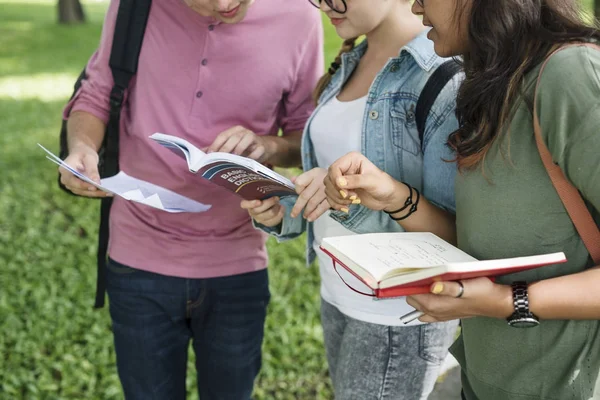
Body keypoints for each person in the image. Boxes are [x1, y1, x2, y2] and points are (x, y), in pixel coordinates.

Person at [323, 0, 600, 399]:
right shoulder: (494, 81)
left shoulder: (569, 75)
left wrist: (508, 301)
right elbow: (485, 242)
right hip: (486, 380)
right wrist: (394, 197)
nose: (415, 6)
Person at [57, 0, 323, 398]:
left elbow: (306, 137)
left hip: (237, 266)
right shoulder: (134, 7)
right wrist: (82, 148)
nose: (224, 3)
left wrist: (266, 146)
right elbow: (97, 93)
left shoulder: (300, 15)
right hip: (137, 260)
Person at [242, 0, 462, 398]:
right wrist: (283, 211)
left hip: (397, 312)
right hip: (339, 291)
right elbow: (330, 183)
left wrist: (341, 194)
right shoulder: (353, 58)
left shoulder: (441, 74)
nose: (324, 5)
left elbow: (451, 234)